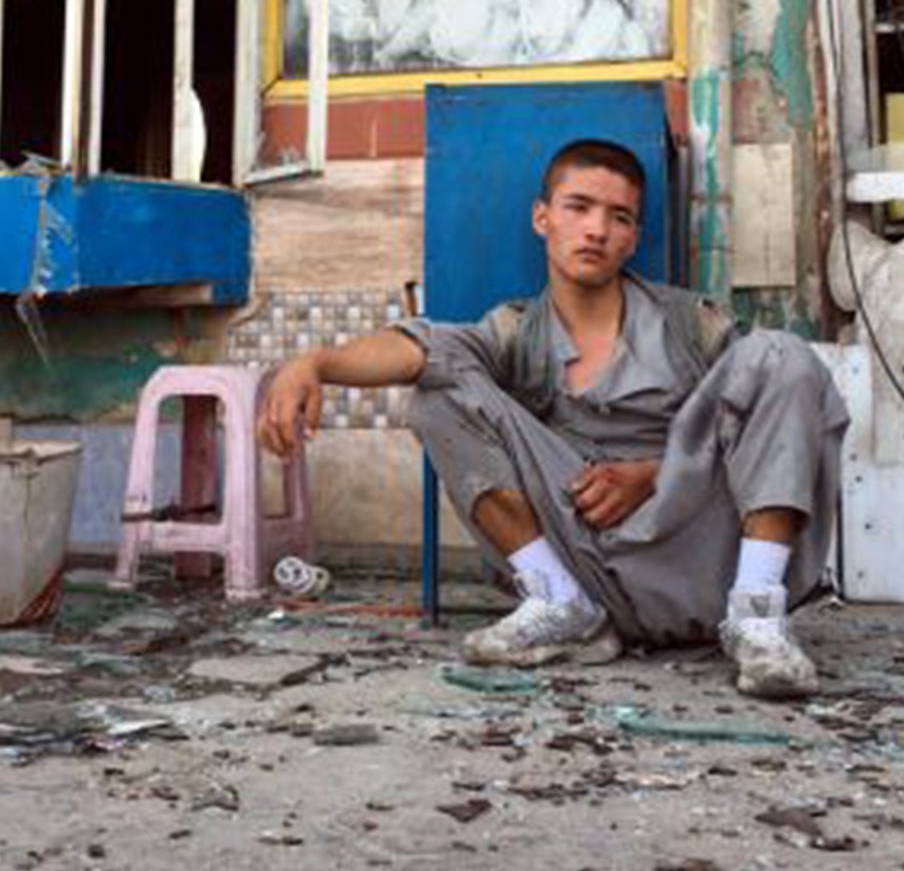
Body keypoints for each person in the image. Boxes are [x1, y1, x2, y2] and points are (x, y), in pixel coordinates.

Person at [255, 138, 849, 699]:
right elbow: (420, 347)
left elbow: (767, 420)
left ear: (634, 234)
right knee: (438, 393)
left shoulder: (690, 324)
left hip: (700, 561)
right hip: (588, 559)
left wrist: (656, 473)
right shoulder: (516, 331)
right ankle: (558, 603)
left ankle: (758, 619)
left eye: (619, 217)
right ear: (544, 218)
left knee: (781, 354)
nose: (597, 229)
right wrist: (313, 363)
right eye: (579, 207)